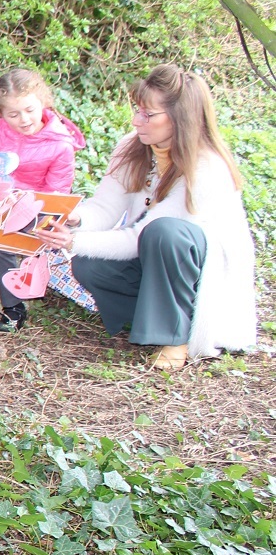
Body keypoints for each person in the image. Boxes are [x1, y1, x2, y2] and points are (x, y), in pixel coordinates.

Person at [34, 65, 256, 370]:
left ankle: (176, 336)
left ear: (181, 119)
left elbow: (140, 238)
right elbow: (105, 208)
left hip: (202, 271)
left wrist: (73, 241)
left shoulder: (206, 166)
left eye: (148, 115)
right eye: (138, 110)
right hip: (154, 253)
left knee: (164, 233)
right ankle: (150, 319)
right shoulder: (133, 146)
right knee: (89, 266)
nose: (137, 120)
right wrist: (73, 219)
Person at [0, 68, 85, 331]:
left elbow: (56, 192)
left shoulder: (60, 144)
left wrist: (25, 206)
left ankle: (14, 307)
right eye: (13, 114)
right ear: (1, 113)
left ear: (43, 102)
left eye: (29, 110)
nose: (24, 119)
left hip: (33, 209)